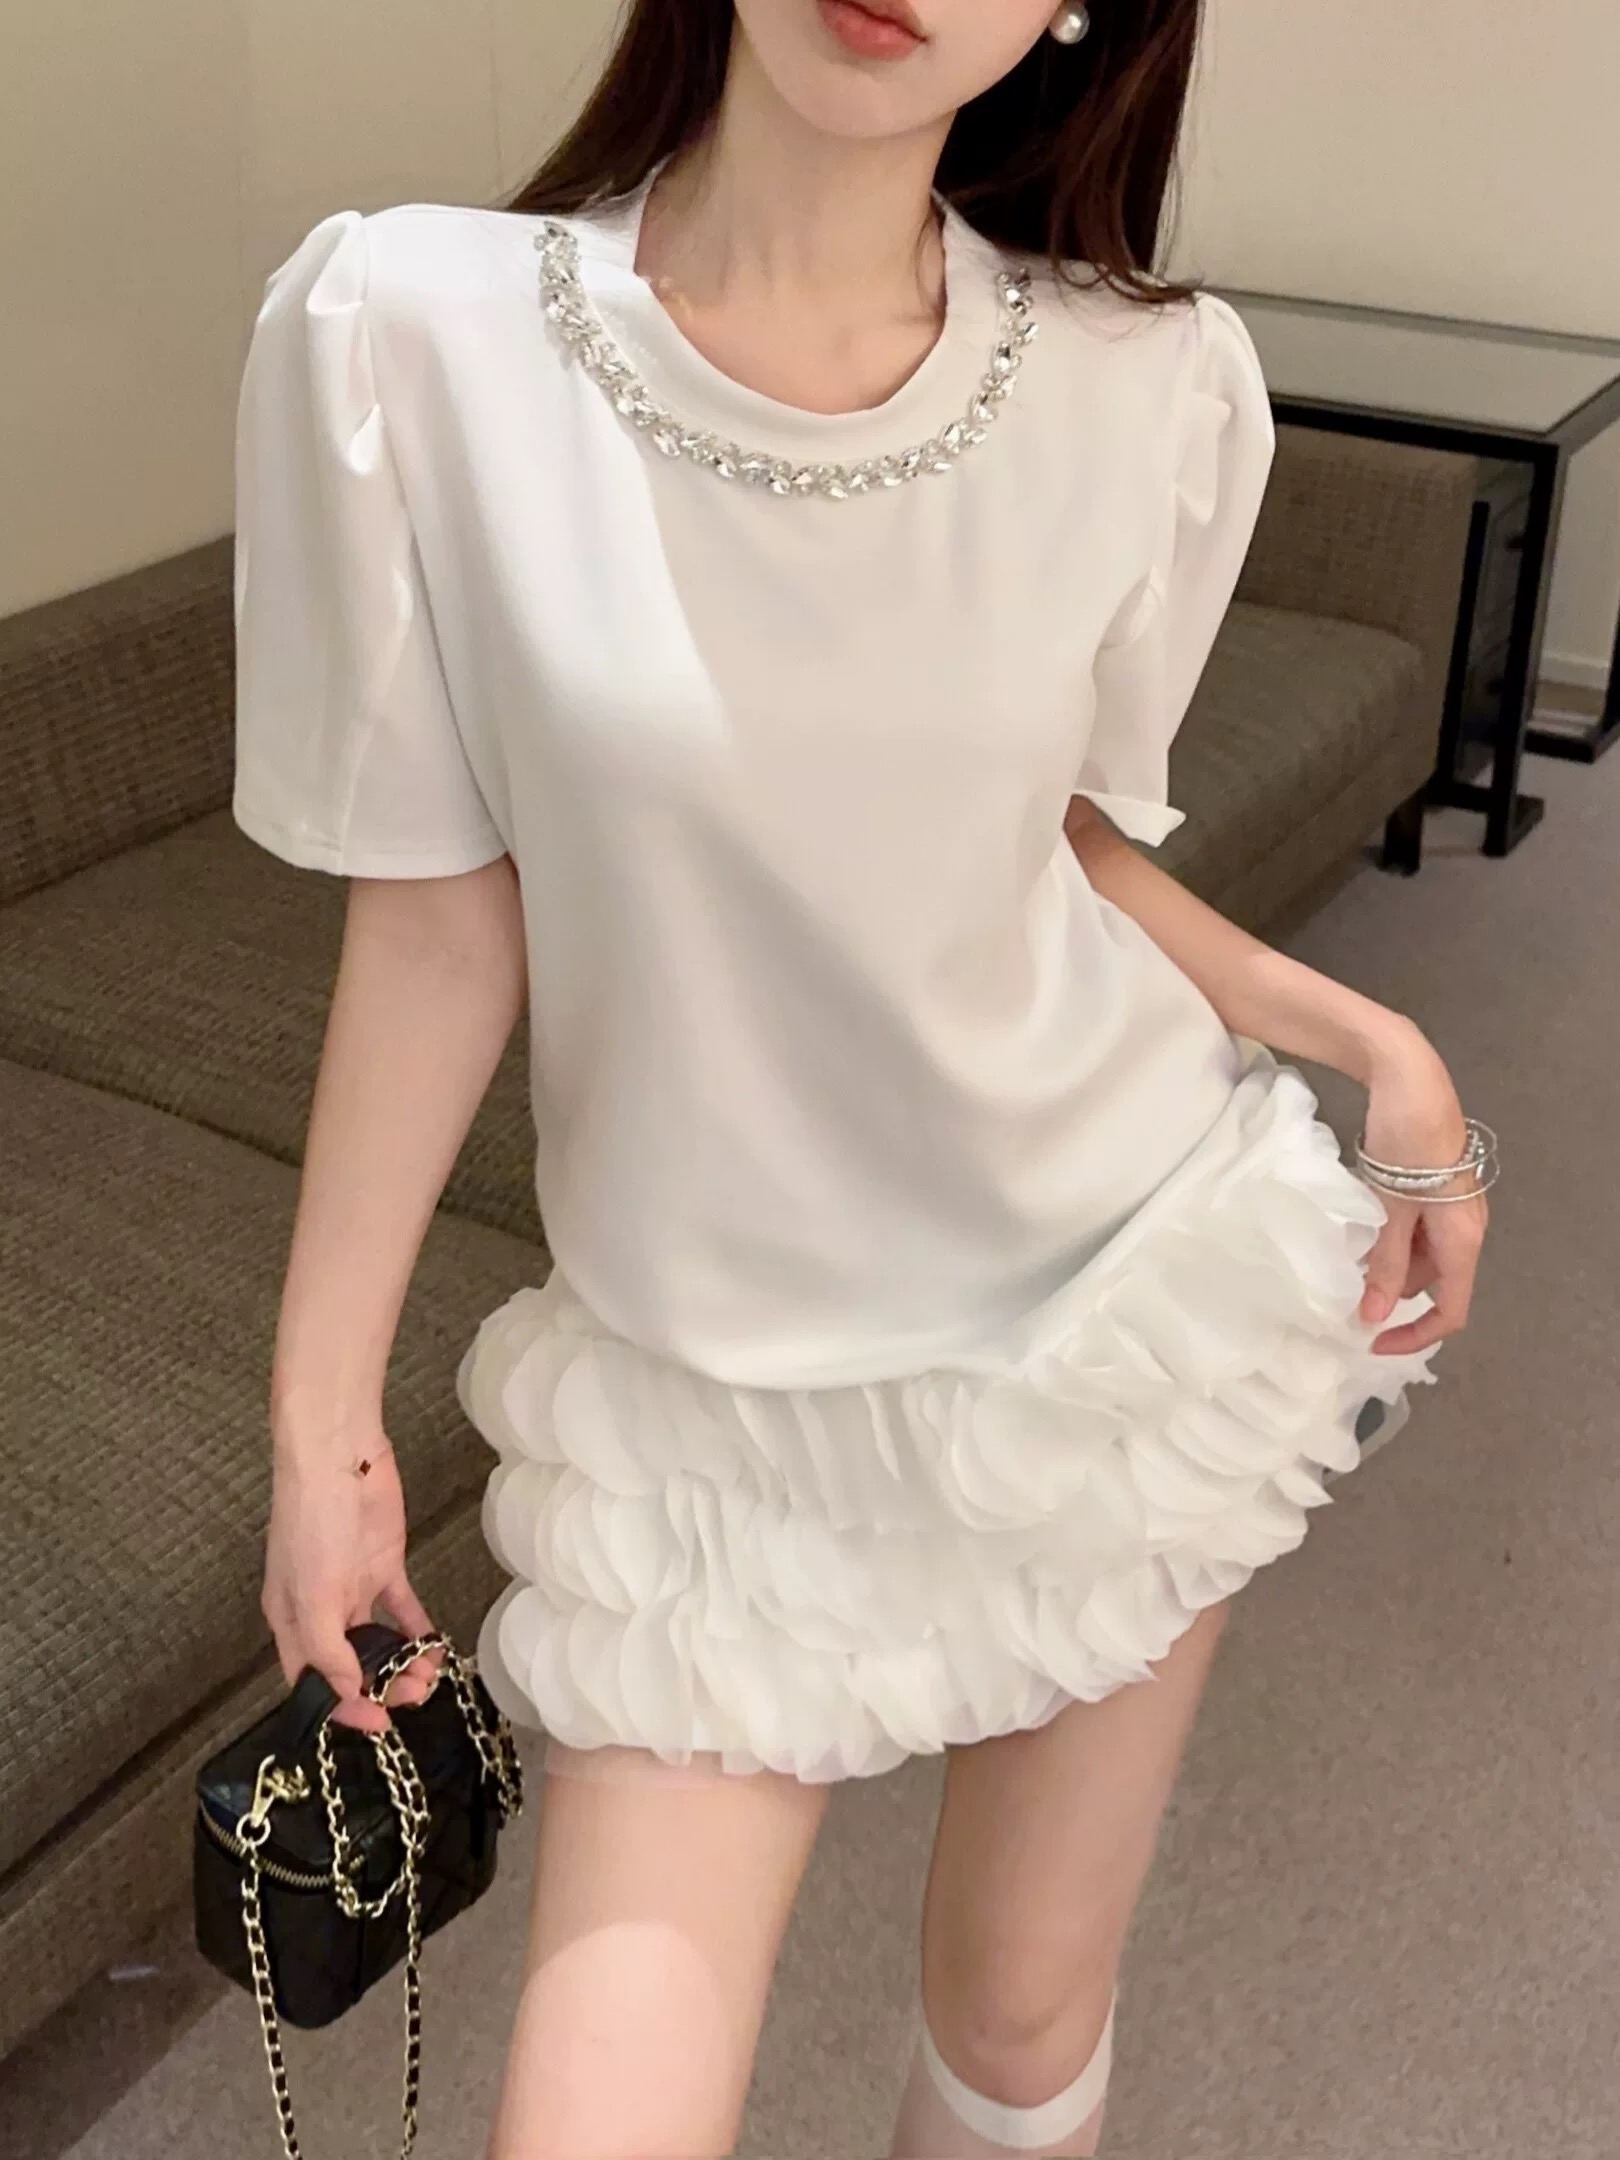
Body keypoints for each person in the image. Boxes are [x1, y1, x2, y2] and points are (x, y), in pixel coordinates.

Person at [233, 1, 1494, 2152]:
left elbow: (1044, 838)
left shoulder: (1145, 385)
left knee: (1015, 2022)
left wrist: (1364, 1034)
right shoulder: (415, 335)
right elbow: (440, 920)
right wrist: (322, 1421)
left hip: (1111, 1309)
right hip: (710, 1412)